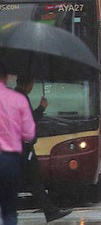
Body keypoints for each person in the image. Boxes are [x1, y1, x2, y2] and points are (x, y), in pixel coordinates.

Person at [13, 76, 71, 222]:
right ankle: (50, 212)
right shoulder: (21, 97)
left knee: (31, 182)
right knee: (34, 181)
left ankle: (50, 211)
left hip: (20, 146)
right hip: (24, 148)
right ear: (29, 84)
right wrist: (41, 108)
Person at [0, 62, 36, 225]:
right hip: (9, 160)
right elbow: (29, 133)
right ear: (7, 77)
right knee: (9, 210)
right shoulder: (18, 99)